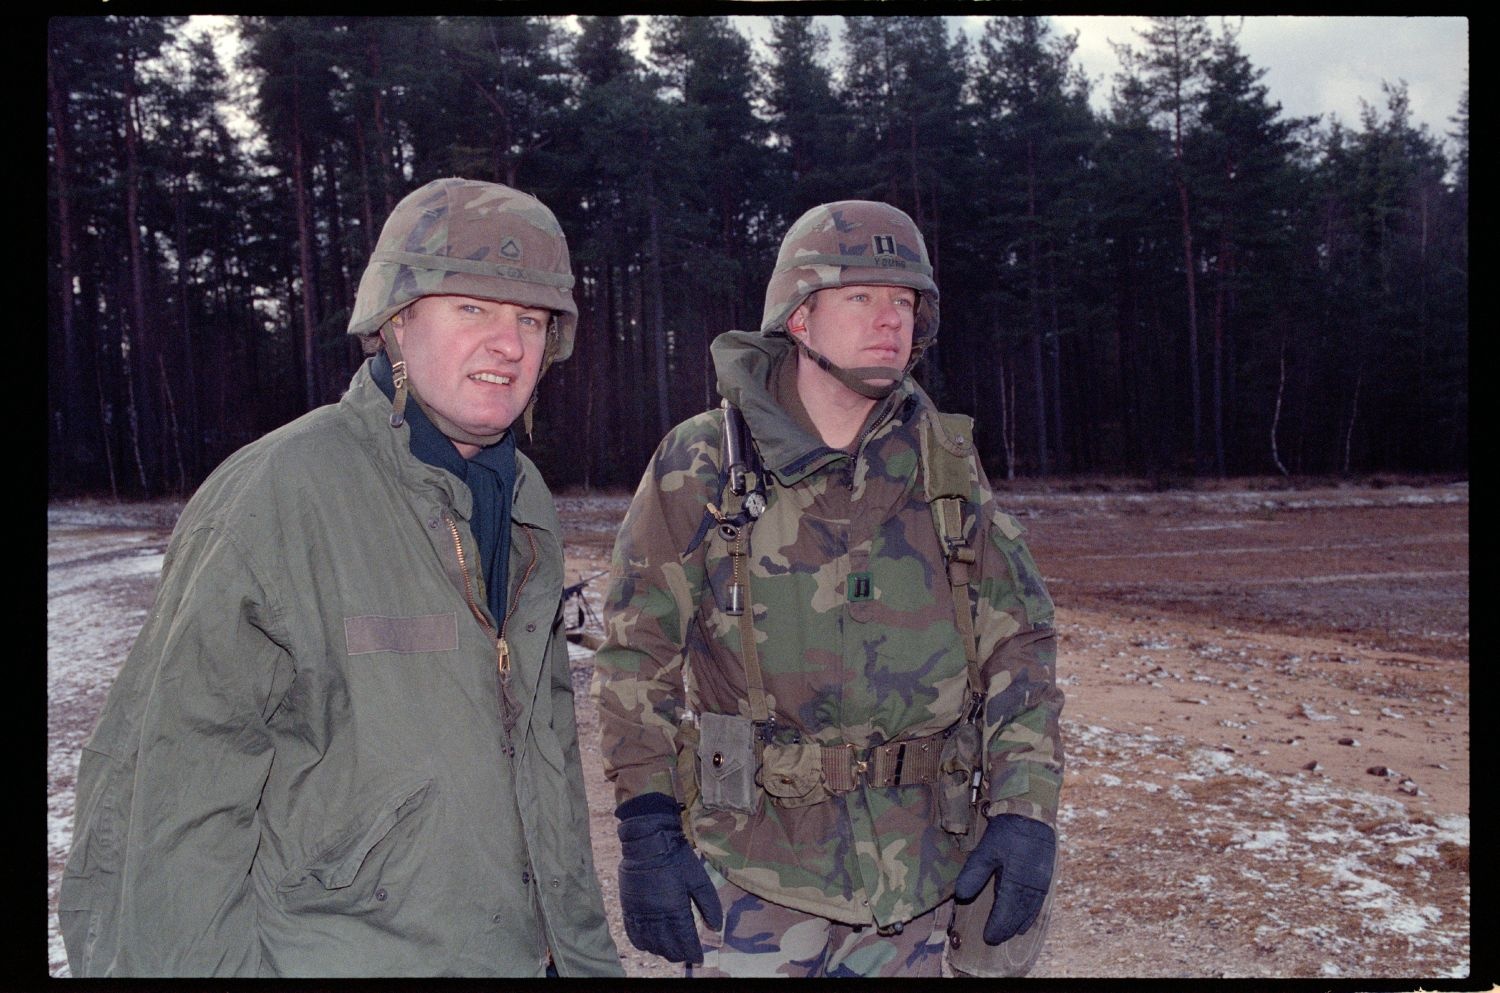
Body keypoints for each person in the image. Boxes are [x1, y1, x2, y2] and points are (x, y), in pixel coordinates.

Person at [58, 178, 623, 978]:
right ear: (397, 322)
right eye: (472, 308)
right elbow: (165, 803)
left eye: (531, 319)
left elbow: (546, 763)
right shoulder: (279, 494)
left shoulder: (523, 496)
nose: (509, 343)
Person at [592, 200, 1064, 978]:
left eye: (905, 302)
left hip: (920, 881)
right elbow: (633, 654)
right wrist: (647, 830)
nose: (890, 320)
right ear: (800, 319)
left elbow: (1021, 638)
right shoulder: (705, 461)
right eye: (862, 296)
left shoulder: (944, 464)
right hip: (751, 874)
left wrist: (1023, 810)